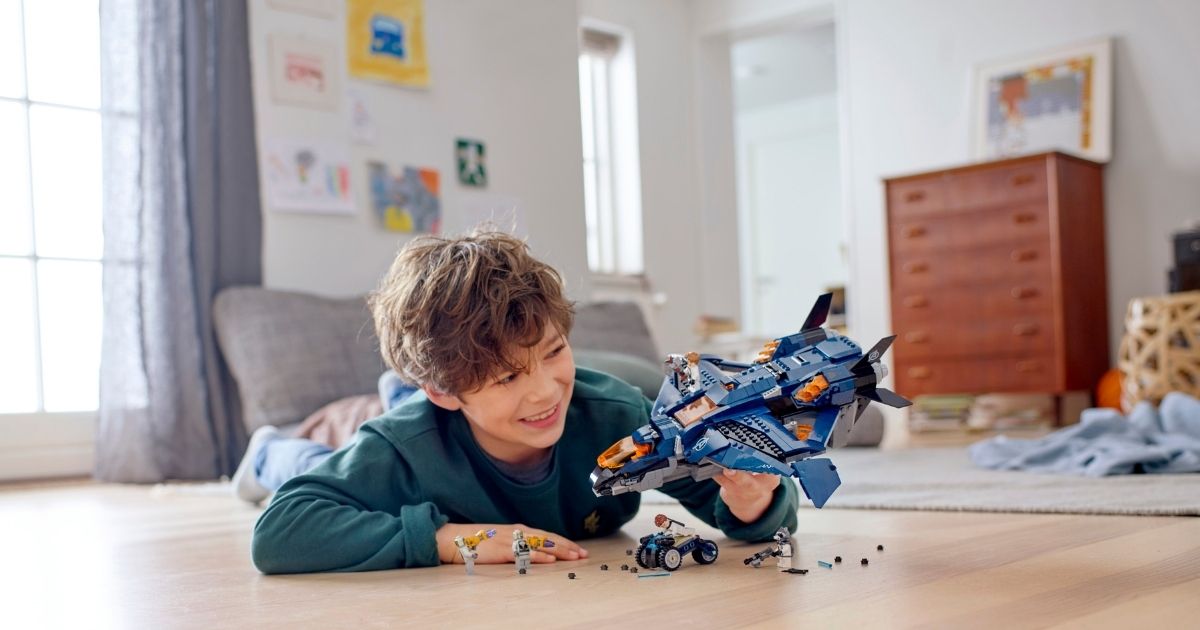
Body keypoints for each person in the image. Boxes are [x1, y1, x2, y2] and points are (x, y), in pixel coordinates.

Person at [251, 230, 799, 574]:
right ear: (443, 391)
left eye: (554, 351)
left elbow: (757, 512)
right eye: (508, 377)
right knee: (305, 463)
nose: (542, 390)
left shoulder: (620, 419)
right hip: (397, 423)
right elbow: (281, 533)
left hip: (454, 400)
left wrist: (754, 500)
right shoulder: (403, 446)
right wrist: (448, 540)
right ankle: (265, 449)